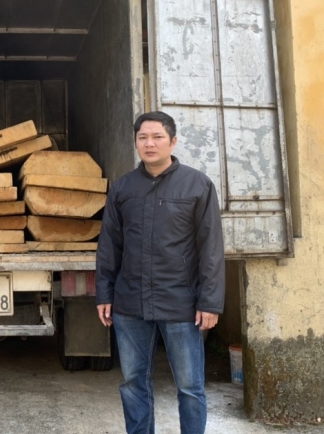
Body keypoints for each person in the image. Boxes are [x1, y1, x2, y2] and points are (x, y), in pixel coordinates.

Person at [96, 111, 224, 434]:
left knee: (190, 387)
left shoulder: (197, 185)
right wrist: (104, 293)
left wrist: (210, 301)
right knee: (133, 382)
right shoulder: (123, 188)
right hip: (130, 303)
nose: (149, 144)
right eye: (143, 137)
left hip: (181, 302)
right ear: (136, 142)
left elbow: (211, 248)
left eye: (157, 137)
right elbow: (109, 245)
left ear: (173, 141)